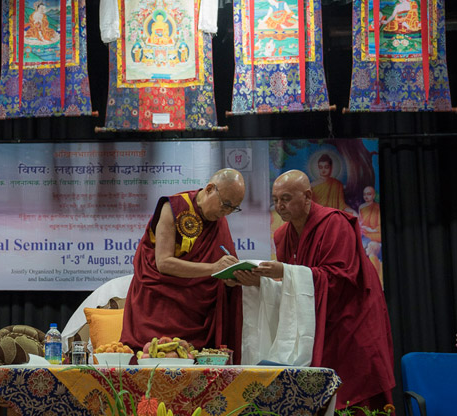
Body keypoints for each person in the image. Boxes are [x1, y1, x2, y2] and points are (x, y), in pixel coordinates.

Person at [234, 170, 395, 411]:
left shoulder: (335, 224)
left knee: (354, 399)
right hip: (317, 325)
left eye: (286, 198)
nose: (280, 205)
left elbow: (339, 280)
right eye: (276, 199)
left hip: (350, 322)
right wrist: (258, 281)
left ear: (308, 196)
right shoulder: (283, 235)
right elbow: (290, 290)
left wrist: (284, 272)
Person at [120, 168, 245, 351]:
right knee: (153, 360)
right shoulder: (173, 208)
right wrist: (214, 268)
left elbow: (221, 267)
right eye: (225, 204)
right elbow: (164, 263)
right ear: (210, 189)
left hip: (197, 315)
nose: (225, 212)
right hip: (158, 308)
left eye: (233, 208)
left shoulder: (219, 221)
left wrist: (231, 278)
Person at [359, 186, 383, 286]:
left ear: (373, 195)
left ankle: (375, 281)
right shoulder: (362, 207)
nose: (366, 197)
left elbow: (379, 226)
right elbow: (360, 222)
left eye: (369, 194)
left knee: (372, 247)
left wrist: (372, 230)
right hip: (364, 234)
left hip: (375, 234)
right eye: (365, 194)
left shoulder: (377, 207)